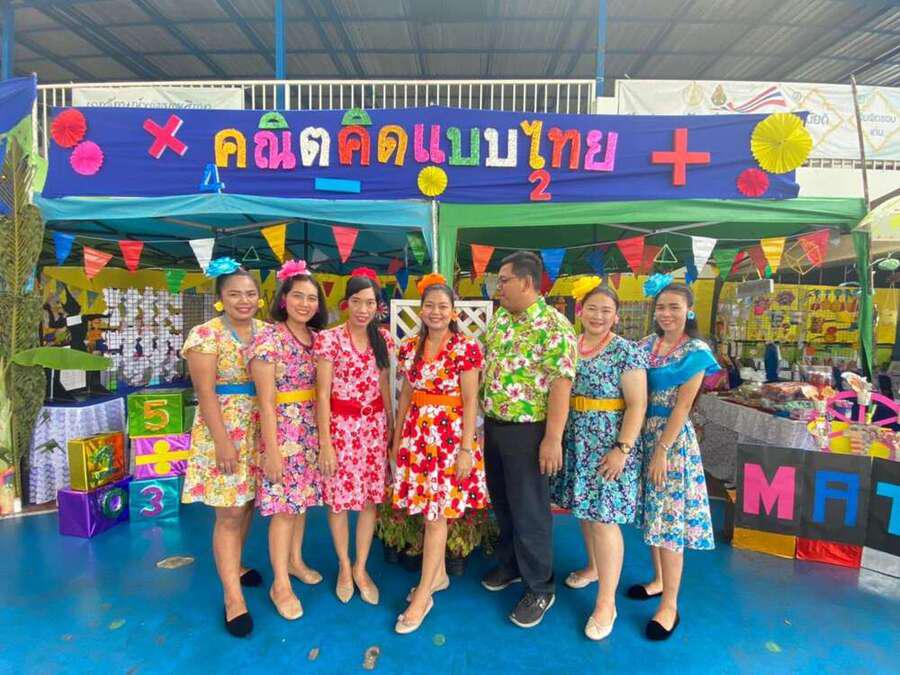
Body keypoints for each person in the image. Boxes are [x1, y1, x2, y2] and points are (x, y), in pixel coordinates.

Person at [480, 251, 577, 628]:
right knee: (502, 502)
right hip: (495, 426)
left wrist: (553, 438)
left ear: (526, 281)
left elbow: (561, 385)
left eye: (503, 280)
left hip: (529, 431)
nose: (498, 287)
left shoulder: (554, 325)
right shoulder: (500, 319)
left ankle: (540, 586)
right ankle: (511, 566)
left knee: (530, 511)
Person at [550, 278, 647, 641]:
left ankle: (607, 602)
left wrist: (622, 448)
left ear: (616, 316)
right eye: (592, 308)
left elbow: (637, 404)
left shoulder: (626, 351)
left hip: (609, 444)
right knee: (586, 512)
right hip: (577, 440)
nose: (598, 316)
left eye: (606, 311)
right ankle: (592, 567)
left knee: (605, 519)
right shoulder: (570, 346)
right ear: (580, 311)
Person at [391, 274, 488, 634]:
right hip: (417, 438)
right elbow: (406, 394)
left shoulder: (466, 348)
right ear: (421, 310)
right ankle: (439, 576)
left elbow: (471, 399)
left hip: (449, 440)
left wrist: (466, 448)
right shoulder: (409, 347)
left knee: (436, 517)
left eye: (442, 306)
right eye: (429, 305)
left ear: (452, 311)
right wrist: (397, 438)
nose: (435, 311)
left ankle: (423, 597)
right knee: (428, 512)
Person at [630, 275, 720, 641]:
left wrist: (662, 451)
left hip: (671, 442)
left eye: (675, 307)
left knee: (668, 522)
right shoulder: (645, 345)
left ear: (689, 311)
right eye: (662, 307)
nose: (666, 313)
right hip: (643, 434)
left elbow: (683, 407)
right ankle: (657, 580)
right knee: (653, 514)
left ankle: (670, 605)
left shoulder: (696, 352)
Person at [182, 258, 266, 638]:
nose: (243, 301)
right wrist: (222, 442)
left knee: (247, 503)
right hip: (225, 429)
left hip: (258, 428)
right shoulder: (206, 335)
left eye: (250, 294)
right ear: (221, 297)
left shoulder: (266, 332)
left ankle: (238, 564)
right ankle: (233, 598)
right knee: (229, 512)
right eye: (235, 294)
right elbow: (204, 393)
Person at [247, 259, 328, 621]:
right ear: (284, 299)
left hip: (309, 429)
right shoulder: (269, 338)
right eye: (298, 296)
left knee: (301, 503)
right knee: (283, 509)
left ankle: (295, 560)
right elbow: (265, 400)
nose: (305, 304)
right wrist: (272, 451)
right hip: (282, 432)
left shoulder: (317, 340)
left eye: (312, 298)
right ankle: (280, 583)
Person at [314, 268, 394, 605]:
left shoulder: (383, 339)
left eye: (370, 303)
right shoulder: (329, 339)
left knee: (369, 500)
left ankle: (361, 566)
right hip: (341, 429)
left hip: (374, 428)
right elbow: (322, 394)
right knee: (338, 501)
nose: (363, 309)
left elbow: (384, 386)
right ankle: (344, 566)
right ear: (346, 303)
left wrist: (391, 430)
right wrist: (325, 443)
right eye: (357, 301)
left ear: (378, 306)